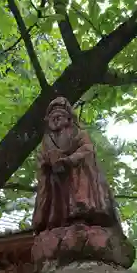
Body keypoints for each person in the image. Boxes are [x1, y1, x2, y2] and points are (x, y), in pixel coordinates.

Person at [33, 97, 122, 233]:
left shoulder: (79, 133)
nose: (56, 120)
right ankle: (55, 217)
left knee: (81, 169)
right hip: (56, 177)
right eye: (53, 118)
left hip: (76, 171)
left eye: (59, 116)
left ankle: (82, 210)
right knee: (51, 181)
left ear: (68, 118)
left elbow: (88, 149)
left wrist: (70, 159)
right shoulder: (47, 140)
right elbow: (41, 157)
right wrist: (48, 162)